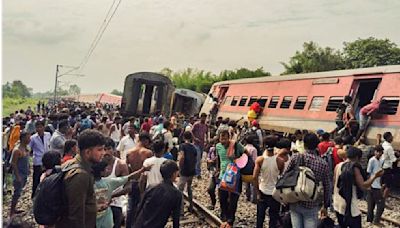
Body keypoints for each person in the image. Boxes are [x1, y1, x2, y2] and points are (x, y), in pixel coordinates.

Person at [55, 129, 106, 228]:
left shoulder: (72, 163)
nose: (103, 153)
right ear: (87, 152)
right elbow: (76, 215)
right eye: (99, 149)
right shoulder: (80, 175)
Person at [283, 133, 331, 228]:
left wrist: (284, 196)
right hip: (311, 202)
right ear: (317, 145)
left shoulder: (295, 157)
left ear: (304, 144)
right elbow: (327, 186)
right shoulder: (322, 163)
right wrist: (326, 205)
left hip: (295, 198)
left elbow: (285, 175)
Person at [333, 146, 383, 228]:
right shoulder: (354, 168)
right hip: (350, 207)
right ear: (357, 157)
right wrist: (375, 176)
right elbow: (363, 186)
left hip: (337, 203)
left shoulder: (338, 166)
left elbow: (335, 183)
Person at [92, 161, 149, 228]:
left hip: (93, 219)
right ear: (101, 172)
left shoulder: (88, 184)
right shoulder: (109, 182)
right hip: (106, 220)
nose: (107, 170)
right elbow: (129, 177)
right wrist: (142, 170)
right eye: (106, 169)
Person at [134, 160, 182, 228]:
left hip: (140, 225)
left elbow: (140, 207)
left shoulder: (151, 187)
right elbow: (175, 219)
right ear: (174, 174)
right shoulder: (176, 194)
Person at [253, 136, 285, 228]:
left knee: (260, 218)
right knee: (273, 218)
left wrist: (257, 192)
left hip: (263, 191)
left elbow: (255, 177)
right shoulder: (280, 161)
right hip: (275, 194)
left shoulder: (260, 160)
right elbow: (281, 176)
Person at [216, 130, 245, 227]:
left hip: (235, 177)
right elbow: (219, 158)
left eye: (225, 138)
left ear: (229, 138)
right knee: (222, 198)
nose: (223, 141)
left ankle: (230, 219)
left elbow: (246, 154)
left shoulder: (236, 145)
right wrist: (217, 169)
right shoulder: (218, 146)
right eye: (221, 138)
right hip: (222, 176)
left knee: (233, 199)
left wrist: (236, 157)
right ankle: (224, 217)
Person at [125, 133, 153, 228]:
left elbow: (127, 169)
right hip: (144, 182)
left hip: (133, 181)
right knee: (143, 207)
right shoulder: (148, 153)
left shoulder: (129, 152)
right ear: (145, 140)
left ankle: (129, 226)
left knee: (131, 207)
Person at [102, 138, 129, 228]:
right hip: (99, 206)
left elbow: (128, 186)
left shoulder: (120, 165)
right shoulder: (97, 164)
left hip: (115, 204)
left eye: (108, 149)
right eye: (104, 149)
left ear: (114, 150)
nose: (106, 152)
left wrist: (112, 195)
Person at [9, 131, 31, 217]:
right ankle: (11, 212)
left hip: (24, 173)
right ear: (23, 138)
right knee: (17, 192)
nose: (29, 139)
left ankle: (14, 209)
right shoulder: (17, 150)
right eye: (28, 137)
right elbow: (13, 164)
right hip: (19, 174)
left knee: (19, 192)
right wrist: (18, 176)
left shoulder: (26, 148)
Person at [29, 121, 51, 198]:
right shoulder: (33, 138)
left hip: (47, 159)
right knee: (36, 178)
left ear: (43, 127)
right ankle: (34, 194)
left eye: (40, 127)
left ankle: (44, 194)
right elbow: (29, 148)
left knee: (47, 177)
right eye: (37, 127)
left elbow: (49, 145)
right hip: (38, 160)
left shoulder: (48, 135)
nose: (39, 129)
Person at [177, 131, 197, 214]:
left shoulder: (182, 146)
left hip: (184, 170)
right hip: (191, 171)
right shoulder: (194, 147)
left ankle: (181, 211)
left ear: (184, 137)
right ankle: (191, 206)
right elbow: (196, 159)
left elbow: (182, 157)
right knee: (189, 187)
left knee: (180, 190)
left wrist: (179, 168)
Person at [366, 145, 385, 226]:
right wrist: (369, 185)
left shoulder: (380, 160)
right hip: (373, 185)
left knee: (371, 203)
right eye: (378, 152)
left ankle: (370, 219)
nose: (379, 153)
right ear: (375, 152)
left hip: (377, 184)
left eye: (380, 152)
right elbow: (368, 172)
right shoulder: (372, 160)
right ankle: (376, 221)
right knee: (381, 205)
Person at [381, 132, 399, 199]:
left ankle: (378, 197)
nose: (392, 138)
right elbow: (394, 160)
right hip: (387, 167)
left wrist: (394, 152)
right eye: (391, 136)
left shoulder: (384, 144)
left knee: (384, 183)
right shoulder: (389, 147)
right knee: (388, 186)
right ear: (388, 137)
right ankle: (383, 200)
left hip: (383, 166)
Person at [192, 113, 208, 178]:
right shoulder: (196, 124)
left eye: (205, 117)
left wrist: (207, 140)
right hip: (196, 144)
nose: (203, 119)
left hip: (202, 144)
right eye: (203, 117)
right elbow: (191, 132)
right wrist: (195, 138)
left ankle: (194, 170)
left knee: (199, 158)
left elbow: (206, 133)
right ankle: (198, 173)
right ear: (200, 117)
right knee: (198, 158)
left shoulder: (205, 125)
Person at [206, 139, 218, 210]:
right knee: (210, 189)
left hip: (220, 174)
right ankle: (213, 203)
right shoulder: (212, 149)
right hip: (213, 172)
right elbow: (208, 158)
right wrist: (211, 161)